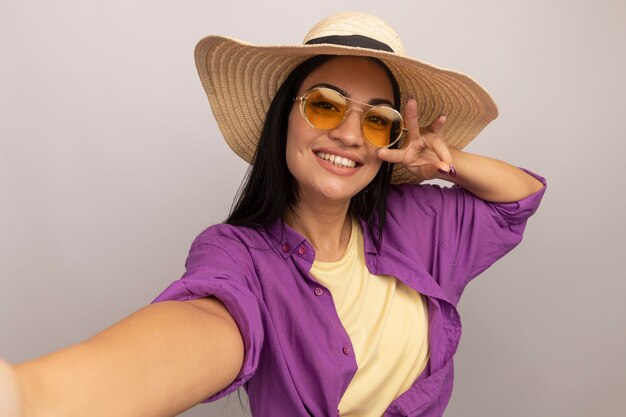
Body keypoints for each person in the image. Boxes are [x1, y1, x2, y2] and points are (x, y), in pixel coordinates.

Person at [0, 11, 546, 417]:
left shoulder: (418, 222)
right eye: (325, 105)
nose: (351, 135)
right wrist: (31, 397)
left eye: (378, 121)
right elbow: (208, 324)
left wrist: (443, 163)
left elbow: (519, 198)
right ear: (283, 117)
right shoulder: (236, 254)